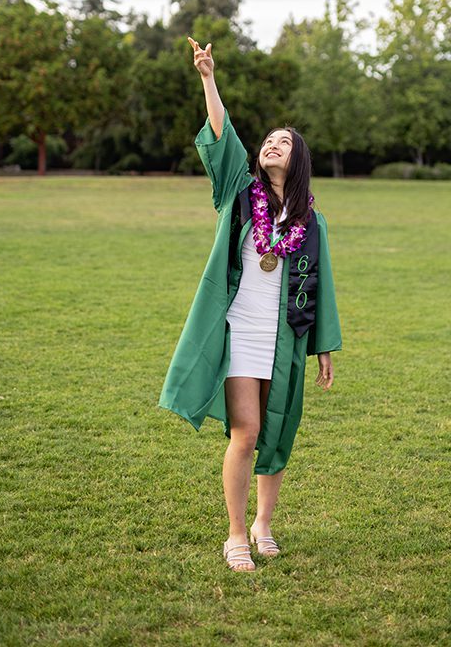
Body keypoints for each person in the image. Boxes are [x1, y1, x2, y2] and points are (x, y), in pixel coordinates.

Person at [159, 36, 342, 572]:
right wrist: (208, 77)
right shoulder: (240, 190)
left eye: (283, 142)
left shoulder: (311, 222)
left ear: (299, 158)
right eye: (267, 140)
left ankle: (265, 522)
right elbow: (220, 133)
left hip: (285, 335)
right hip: (240, 331)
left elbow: (324, 282)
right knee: (247, 431)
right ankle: (236, 533)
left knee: (278, 429)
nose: (271, 144)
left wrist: (324, 345)